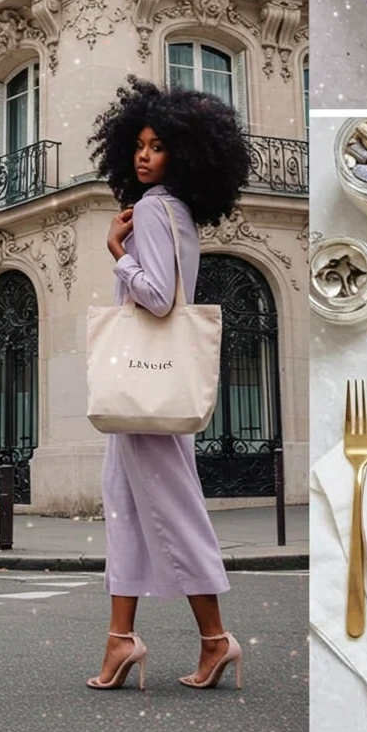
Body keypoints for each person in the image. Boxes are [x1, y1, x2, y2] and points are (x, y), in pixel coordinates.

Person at [85, 76, 251, 691]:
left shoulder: (153, 210)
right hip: (151, 391)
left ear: (182, 154)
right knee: (126, 510)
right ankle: (121, 640)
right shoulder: (177, 211)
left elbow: (156, 301)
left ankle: (215, 639)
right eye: (140, 144)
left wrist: (116, 252)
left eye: (158, 146)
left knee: (172, 514)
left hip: (143, 388)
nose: (144, 154)